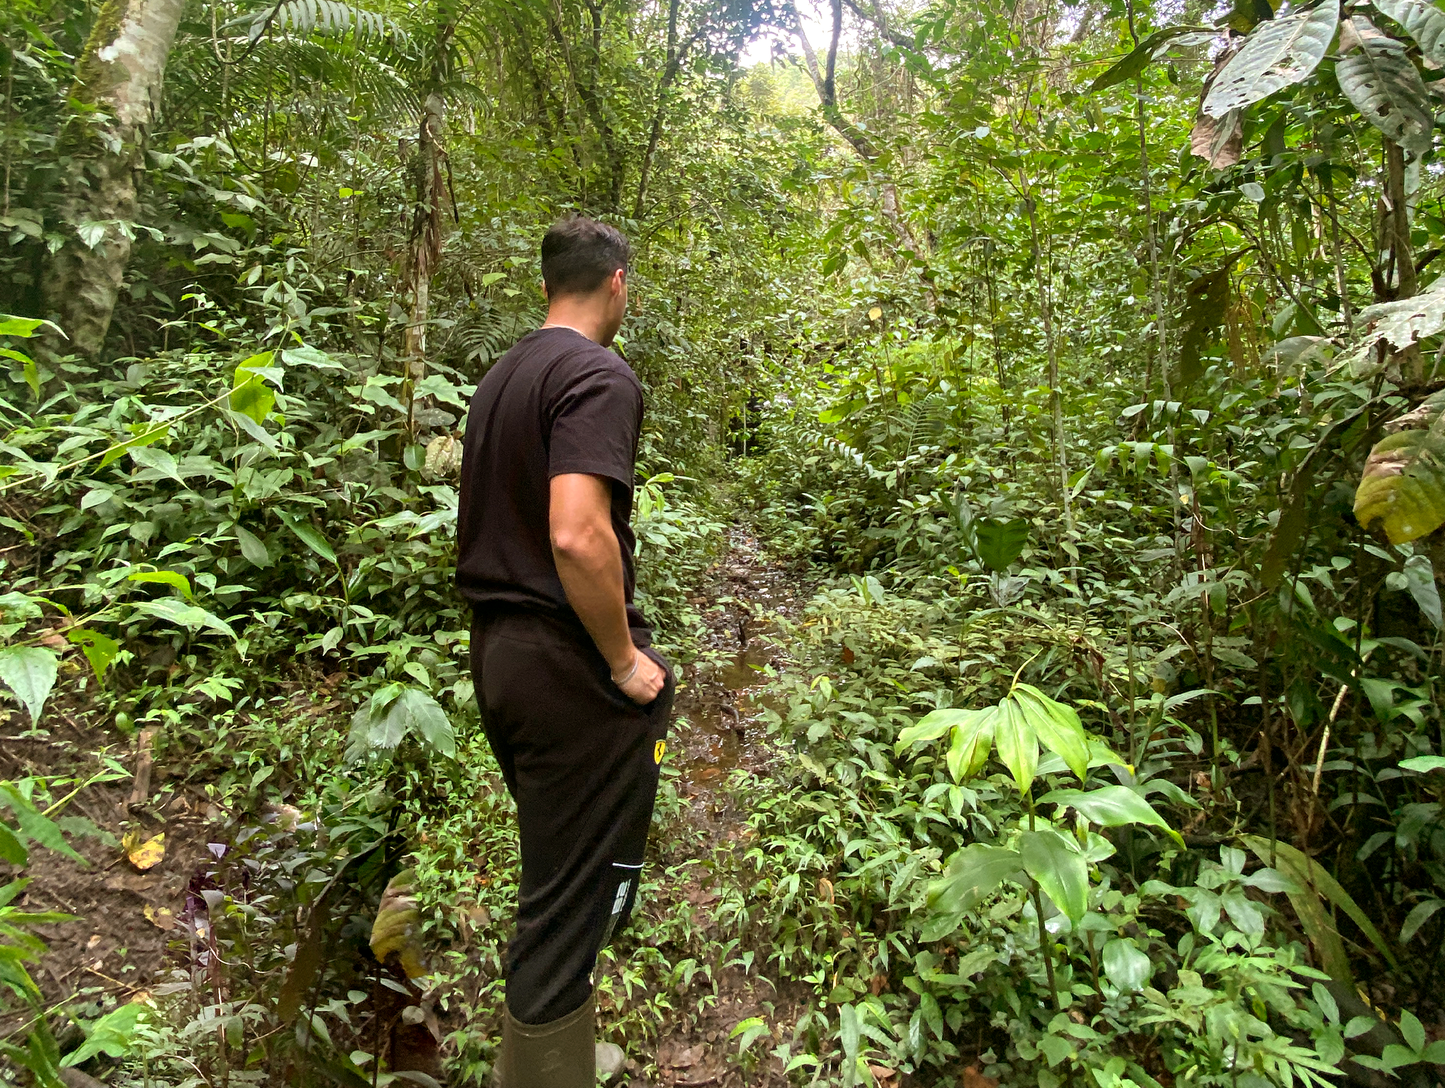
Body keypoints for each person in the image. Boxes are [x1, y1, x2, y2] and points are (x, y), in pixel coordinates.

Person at [455, 215, 675, 1088]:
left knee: (556, 874)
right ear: (616, 282)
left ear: (548, 284)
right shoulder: (596, 373)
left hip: (499, 657)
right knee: (571, 903)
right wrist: (624, 662)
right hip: (563, 663)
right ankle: (548, 1069)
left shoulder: (501, 376)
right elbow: (579, 536)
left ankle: (561, 1054)